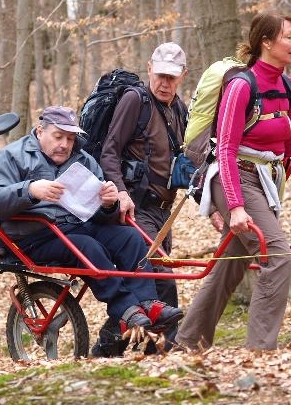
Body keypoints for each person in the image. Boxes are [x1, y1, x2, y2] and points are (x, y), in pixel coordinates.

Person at [175, 11, 291, 351]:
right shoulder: (242, 86)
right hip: (232, 179)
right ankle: (260, 351)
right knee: (277, 257)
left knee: (229, 266)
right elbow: (227, 149)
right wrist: (236, 206)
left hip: (265, 182)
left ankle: (186, 343)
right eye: (288, 36)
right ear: (266, 42)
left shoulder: (288, 87)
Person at [0, 106, 184, 343]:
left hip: (79, 226)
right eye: (58, 137)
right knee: (87, 247)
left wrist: (108, 204)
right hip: (36, 235)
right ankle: (125, 308)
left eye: (70, 138)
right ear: (40, 131)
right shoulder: (13, 156)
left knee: (130, 238)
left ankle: (149, 304)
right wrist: (30, 190)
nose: (65, 144)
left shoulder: (83, 159)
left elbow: (99, 214)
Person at [98, 42, 189, 353]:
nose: (164, 83)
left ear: (182, 76)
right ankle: (165, 349)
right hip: (137, 207)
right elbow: (109, 152)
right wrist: (121, 193)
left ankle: (108, 347)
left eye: (172, 77)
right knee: (161, 277)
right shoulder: (135, 100)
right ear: (149, 68)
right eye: (160, 75)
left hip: (164, 210)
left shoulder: (179, 109)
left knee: (147, 283)